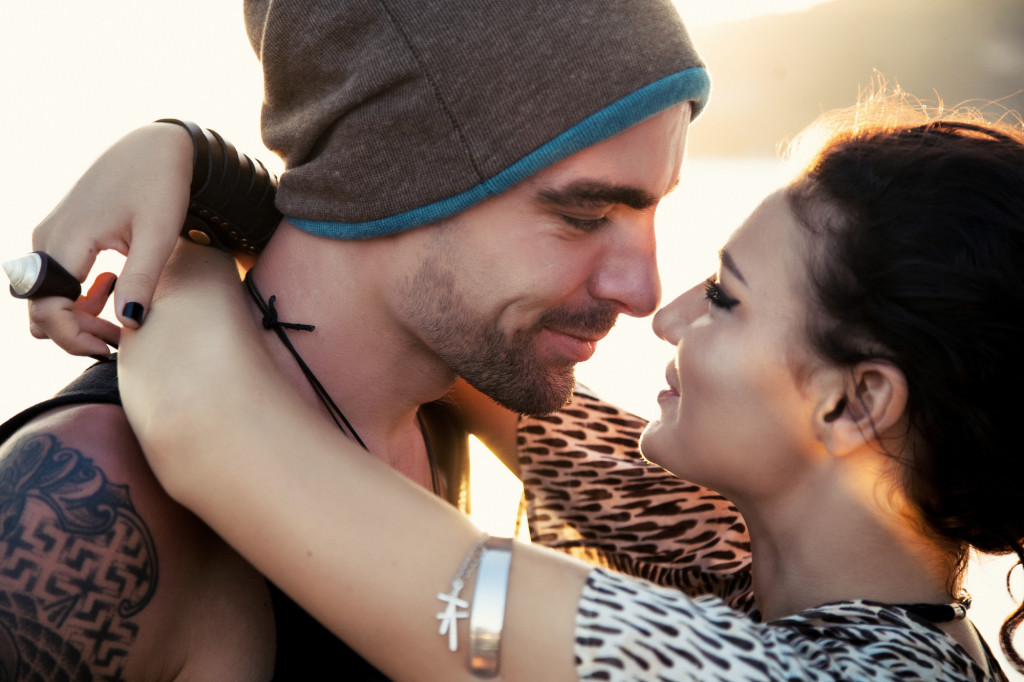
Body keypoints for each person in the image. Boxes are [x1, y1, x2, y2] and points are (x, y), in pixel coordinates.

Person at [105, 104, 1024, 680]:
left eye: (729, 300)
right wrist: (192, 163)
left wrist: (163, 251)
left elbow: (206, 423)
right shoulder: (778, 568)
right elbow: (450, 326)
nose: (666, 317)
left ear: (854, 403)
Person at [0, 0, 713, 678]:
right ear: (397, 182)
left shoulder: (461, 386)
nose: (644, 291)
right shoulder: (88, 503)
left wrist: (208, 172)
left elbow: (712, 556)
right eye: (585, 215)